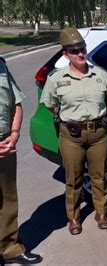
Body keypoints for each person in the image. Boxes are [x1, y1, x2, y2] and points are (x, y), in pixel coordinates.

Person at [40, 28, 107, 235]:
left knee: (99, 176)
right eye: (74, 51)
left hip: (98, 135)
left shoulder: (101, 75)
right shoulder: (57, 78)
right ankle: (74, 217)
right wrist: (68, 115)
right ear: (65, 54)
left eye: (82, 48)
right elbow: (50, 103)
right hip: (71, 136)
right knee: (73, 179)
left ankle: (101, 213)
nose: (80, 54)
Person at [0, 58, 43, 264]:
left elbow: (16, 103)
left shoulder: (1, 66)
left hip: (5, 143)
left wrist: (14, 133)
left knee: (8, 200)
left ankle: (9, 249)